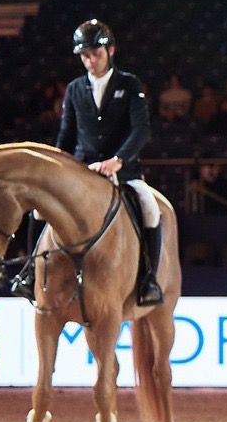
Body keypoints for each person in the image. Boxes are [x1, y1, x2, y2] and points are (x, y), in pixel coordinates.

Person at [14, 19, 165, 306]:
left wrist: (118, 160)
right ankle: (30, 272)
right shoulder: (74, 89)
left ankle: (148, 280)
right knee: (38, 211)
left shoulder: (129, 84)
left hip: (122, 169)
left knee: (150, 208)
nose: (90, 60)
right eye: (85, 55)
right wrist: (58, 167)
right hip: (82, 170)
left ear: (111, 51)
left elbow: (141, 130)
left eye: (96, 53)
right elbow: (67, 135)